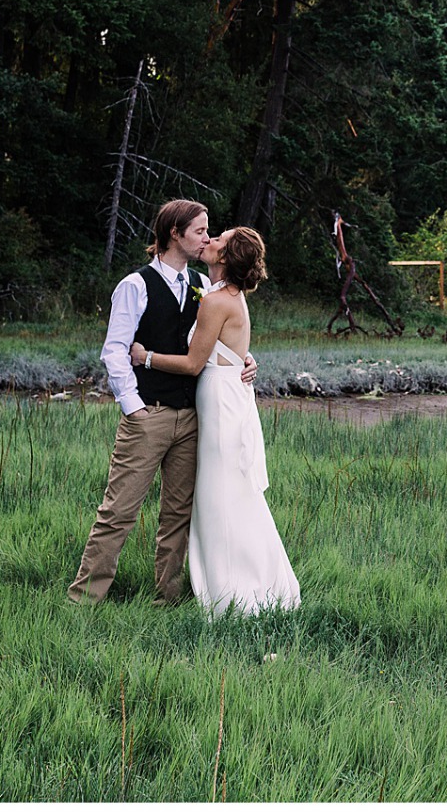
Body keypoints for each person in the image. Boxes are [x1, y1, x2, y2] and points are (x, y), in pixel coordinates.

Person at [67, 199, 257, 606]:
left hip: (193, 419)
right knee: (118, 512)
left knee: (177, 516)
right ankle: (84, 599)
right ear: (175, 234)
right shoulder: (135, 285)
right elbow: (114, 352)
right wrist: (132, 406)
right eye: (200, 231)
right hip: (147, 415)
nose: (207, 237)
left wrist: (247, 359)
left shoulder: (205, 287)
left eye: (209, 231)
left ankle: (167, 597)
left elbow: (222, 339)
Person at [132, 226, 299, 617]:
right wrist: (246, 358)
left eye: (218, 240)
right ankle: (242, 580)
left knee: (220, 494)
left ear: (225, 257)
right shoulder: (223, 294)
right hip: (223, 395)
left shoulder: (217, 300)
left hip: (220, 401)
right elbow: (228, 348)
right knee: (225, 492)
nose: (209, 241)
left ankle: (230, 593)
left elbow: (193, 363)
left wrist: (146, 357)